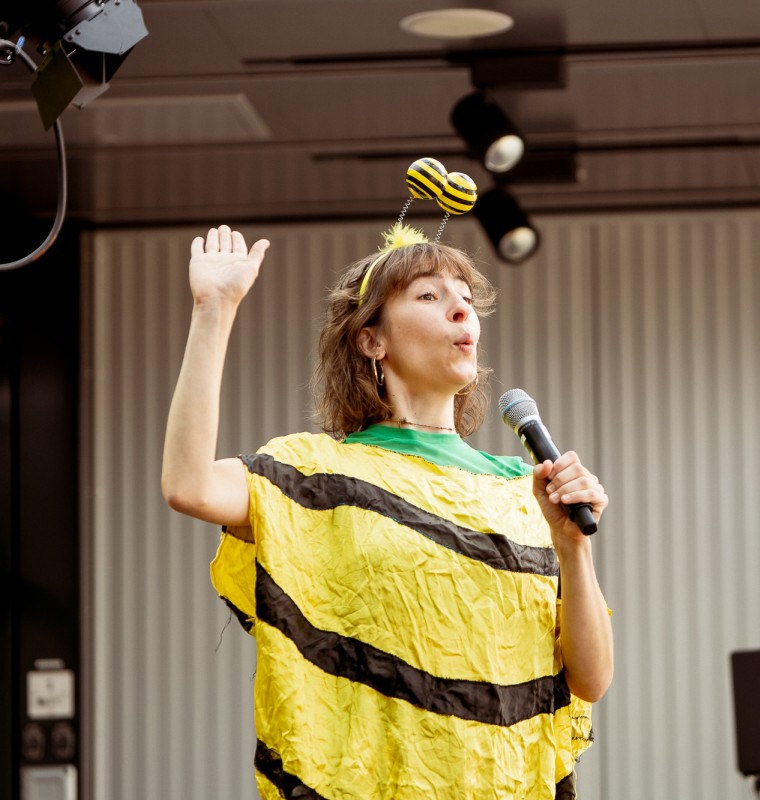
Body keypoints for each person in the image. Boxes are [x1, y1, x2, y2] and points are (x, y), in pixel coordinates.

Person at [161, 223, 613, 800]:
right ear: (371, 340)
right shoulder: (317, 477)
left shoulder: (527, 489)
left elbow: (592, 680)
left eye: (468, 300)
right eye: (430, 295)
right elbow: (188, 484)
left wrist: (574, 546)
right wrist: (214, 309)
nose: (461, 311)